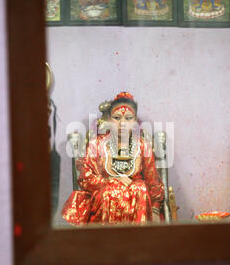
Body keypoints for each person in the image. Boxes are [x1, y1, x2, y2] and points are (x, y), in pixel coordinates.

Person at [61, 92, 165, 225]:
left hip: (137, 198)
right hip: (104, 198)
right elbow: (85, 178)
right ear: (109, 120)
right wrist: (111, 181)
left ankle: (138, 241)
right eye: (117, 118)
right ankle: (108, 242)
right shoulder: (96, 144)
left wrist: (155, 210)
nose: (122, 123)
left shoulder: (143, 145)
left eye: (128, 118)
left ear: (135, 121)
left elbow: (153, 181)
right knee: (111, 191)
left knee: (140, 188)